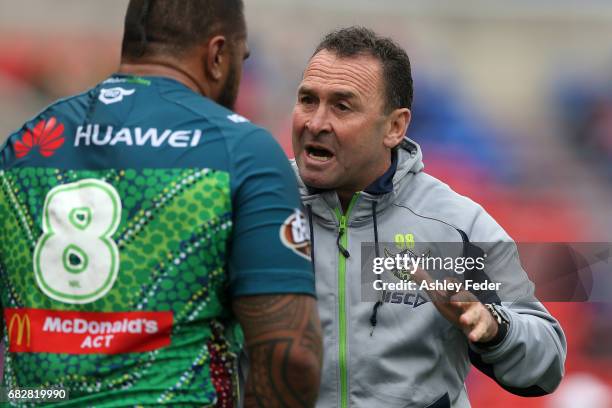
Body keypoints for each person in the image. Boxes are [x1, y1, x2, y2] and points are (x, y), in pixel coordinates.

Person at [0, 1, 322, 406]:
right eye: (241, 58)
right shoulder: (240, 150)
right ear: (217, 55)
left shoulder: (24, 145)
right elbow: (291, 358)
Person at [291, 26, 566, 408]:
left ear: (394, 127)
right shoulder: (254, 208)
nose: (316, 123)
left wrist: (495, 329)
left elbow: (547, 361)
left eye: (342, 106)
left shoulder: (454, 226)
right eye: (308, 100)